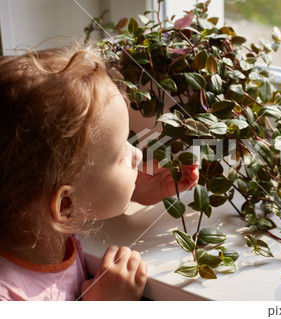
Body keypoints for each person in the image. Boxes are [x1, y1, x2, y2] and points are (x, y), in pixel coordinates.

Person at [0, 43, 199, 300]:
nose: (137, 154)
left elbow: (89, 191)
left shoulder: (36, 225)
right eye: (120, 155)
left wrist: (139, 188)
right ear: (65, 203)